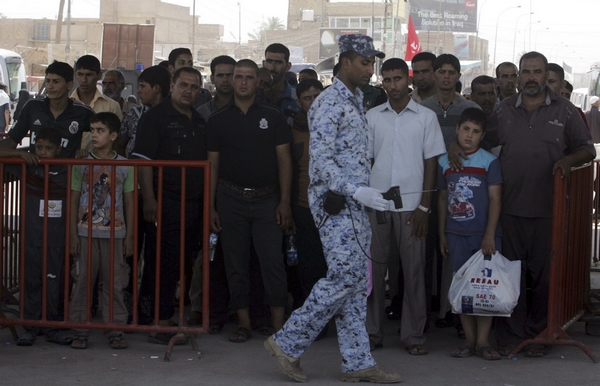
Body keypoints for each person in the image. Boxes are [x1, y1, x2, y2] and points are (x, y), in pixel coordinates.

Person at [265, 34, 401, 384]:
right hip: (335, 204)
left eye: (373, 63)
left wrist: (367, 192)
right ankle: (287, 342)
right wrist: (356, 190)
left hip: (354, 201)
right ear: (346, 62)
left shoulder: (356, 99)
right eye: (365, 62)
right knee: (343, 276)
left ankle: (358, 362)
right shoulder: (328, 102)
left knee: (356, 284)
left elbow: (349, 156)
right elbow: (322, 162)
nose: (370, 69)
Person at [448, 51, 595, 358]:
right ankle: (513, 336)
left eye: (537, 72)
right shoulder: (503, 111)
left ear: (545, 75)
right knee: (511, 276)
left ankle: (540, 334)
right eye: (525, 71)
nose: (531, 77)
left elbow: (586, 150)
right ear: (518, 76)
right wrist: (454, 146)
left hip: (549, 210)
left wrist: (568, 160)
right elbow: (480, 141)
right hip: (509, 209)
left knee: (543, 278)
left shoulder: (566, 111)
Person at [207, 59, 292, 343]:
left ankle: (280, 327)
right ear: (231, 81)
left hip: (268, 199)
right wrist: (211, 207)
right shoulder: (218, 119)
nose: (243, 82)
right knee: (235, 263)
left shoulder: (274, 116)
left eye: (248, 77)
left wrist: (284, 202)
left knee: (272, 263)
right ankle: (243, 323)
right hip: (230, 199)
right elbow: (213, 166)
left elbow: (284, 161)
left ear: (258, 81)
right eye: (238, 77)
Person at [366, 58, 446, 355]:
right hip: (378, 204)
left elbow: (431, 163)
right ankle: (372, 333)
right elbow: (367, 160)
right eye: (387, 79)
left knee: (413, 273)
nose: (392, 85)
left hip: (413, 207)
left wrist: (424, 207)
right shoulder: (372, 117)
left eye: (397, 78)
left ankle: (413, 336)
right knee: (374, 273)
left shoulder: (425, 117)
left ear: (407, 80)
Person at [131, 66, 206, 343]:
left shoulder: (199, 121)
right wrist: (149, 199)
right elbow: (143, 162)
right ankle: (158, 321)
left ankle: (163, 316)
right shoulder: (155, 118)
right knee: (160, 262)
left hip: (193, 204)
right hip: (165, 202)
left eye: (194, 87)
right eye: (184, 85)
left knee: (181, 262)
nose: (189, 91)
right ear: (172, 85)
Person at [421, 53, 481, 335]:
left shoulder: (470, 108)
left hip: (461, 194)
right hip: (428, 190)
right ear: (434, 75)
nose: (446, 76)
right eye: (441, 71)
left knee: (457, 257)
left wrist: (458, 143)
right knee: (426, 255)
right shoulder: (421, 107)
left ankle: (458, 315)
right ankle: (425, 316)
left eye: (451, 72)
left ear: (458, 76)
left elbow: (478, 145)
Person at [437, 108, 503, 361]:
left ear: (482, 135)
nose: (469, 135)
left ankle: (484, 341)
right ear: (457, 130)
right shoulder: (446, 161)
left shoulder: (489, 161)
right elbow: (443, 198)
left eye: (476, 132)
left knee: (485, 288)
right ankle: (469, 340)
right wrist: (443, 232)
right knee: (462, 286)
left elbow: (496, 198)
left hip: (484, 235)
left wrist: (489, 234)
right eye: (466, 129)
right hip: (456, 233)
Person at [1, 128, 72, 346]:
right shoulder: (27, 165)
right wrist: (22, 154)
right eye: (39, 147)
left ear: (59, 149)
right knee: (30, 280)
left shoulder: (68, 167)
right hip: (31, 236)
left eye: (48, 148)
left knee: (53, 283)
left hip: (56, 239)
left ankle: (53, 326)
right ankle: (29, 327)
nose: (43, 152)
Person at [69, 112, 134, 350]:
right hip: (85, 231)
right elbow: (74, 198)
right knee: (83, 281)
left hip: (115, 232)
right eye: (92, 130)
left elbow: (129, 203)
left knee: (115, 283)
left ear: (114, 135)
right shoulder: (82, 164)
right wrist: (72, 234)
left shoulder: (126, 166)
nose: (94, 135)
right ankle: (80, 329)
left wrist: (130, 235)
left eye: (100, 130)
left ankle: (115, 328)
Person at [289, 78, 329, 333]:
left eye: (317, 96)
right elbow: (288, 171)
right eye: (307, 97)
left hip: (332, 210)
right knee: (307, 267)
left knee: (329, 267)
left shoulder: (335, 125)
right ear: (299, 102)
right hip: (302, 208)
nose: (312, 101)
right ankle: (308, 321)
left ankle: (327, 319)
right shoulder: (292, 131)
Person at [0, 61, 94, 158]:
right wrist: (20, 153)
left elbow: (107, 136)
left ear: (69, 85)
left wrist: (88, 153)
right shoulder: (32, 107)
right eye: (48, 81)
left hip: (67, 172)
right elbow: (12, 141)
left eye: (56, 82)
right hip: (33, 172)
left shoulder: (82, 112)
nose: (50, 86)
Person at [70, 55, 122, 152]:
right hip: (68, 164)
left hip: (100, 164)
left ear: (99, 75)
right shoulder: (67, 104)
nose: (84, 80)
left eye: (89, 75)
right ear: (75, 75)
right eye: (80, 74)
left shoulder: (112, 106)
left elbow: (117, 141)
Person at [116, 65, 171, 158]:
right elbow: (119, 145)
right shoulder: (133, 115)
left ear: (156, 88)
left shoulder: (173, 117)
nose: (138, 91)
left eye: (142, 86)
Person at [262, 43, 300, 122]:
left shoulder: (298, 97)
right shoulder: (253, 95)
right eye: (269, 61)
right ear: (264, 64)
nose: (273, 67)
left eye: (278, 62)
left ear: (288, 66)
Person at [197, 55, 236, 121]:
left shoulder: (246, 109)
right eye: (220, 75)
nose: (225, 79)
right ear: (212, 79)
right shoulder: (203, 112)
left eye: (229, 75)